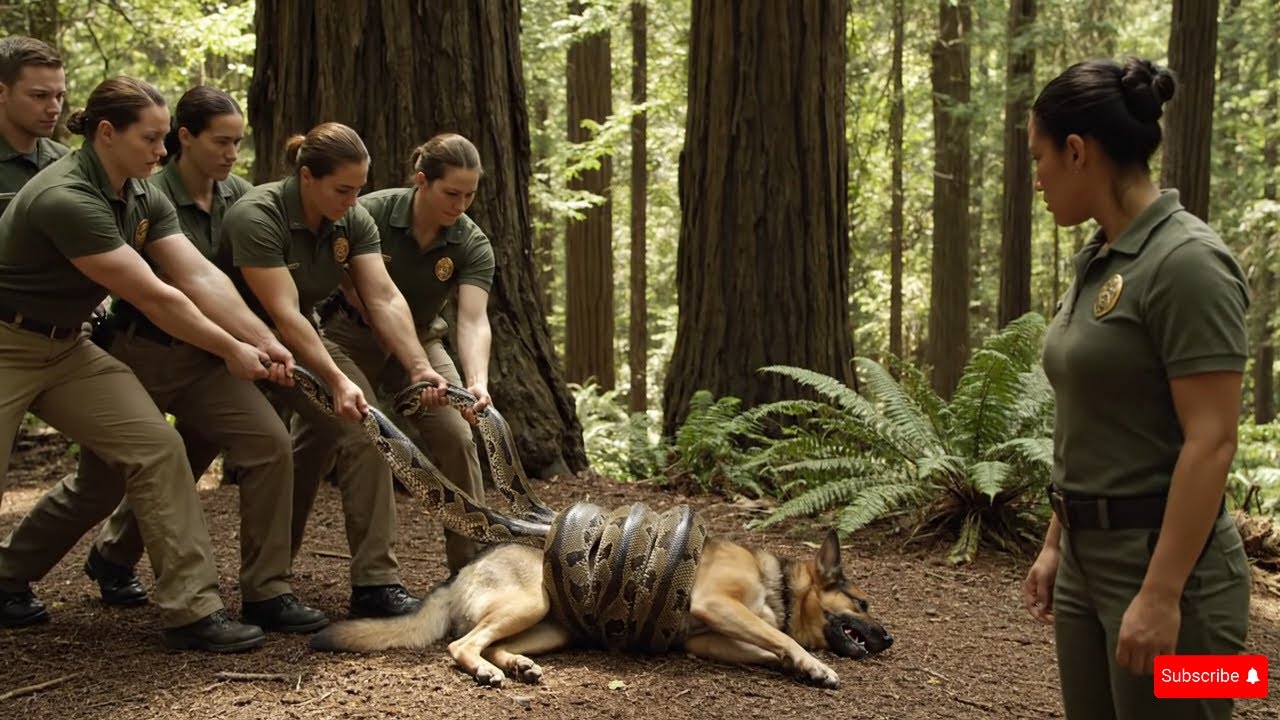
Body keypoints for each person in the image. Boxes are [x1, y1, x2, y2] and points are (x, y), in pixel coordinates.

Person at [0, 76, 293, 652]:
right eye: (152, 139)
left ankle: (192, 611)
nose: (163, 152)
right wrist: (231, 349)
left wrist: (263, 338)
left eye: (164, 139)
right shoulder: (67, 197)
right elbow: (156, 296)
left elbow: (197, 275)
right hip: (6, 343)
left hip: (66, 347)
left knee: (156, 450)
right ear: (107, 134)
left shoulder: (140, 192)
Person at [1021, 58, 1251, 720]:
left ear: (1076, 151)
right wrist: (1055, 543)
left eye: (1040, 159)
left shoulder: (1190, 263)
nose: (1035, 179)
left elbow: (1213, 440)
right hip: (1086, 569)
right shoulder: (1098, 259)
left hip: (1185, 583)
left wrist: (1162, 593)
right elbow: (1094, 419)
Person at [62, 86, 326, 634]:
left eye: (239, 142)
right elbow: (158, 289)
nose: (232, 153)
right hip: (144, 352)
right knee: (102, 483)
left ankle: (267, 590)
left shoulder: (245, 200)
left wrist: (268, 337)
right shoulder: (144, 192)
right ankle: (34, 565)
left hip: (213, 361)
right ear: (185, 138)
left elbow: (244, 281)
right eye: (221, 141)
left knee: (266, 443)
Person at [217, 121, 451, 618]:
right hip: (232, 340)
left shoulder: (351, 219)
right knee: (194, 451)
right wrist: (340, 378)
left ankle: (374, 584)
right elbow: (283, 313)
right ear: (306, 177)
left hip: (296, 340)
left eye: (360, 188)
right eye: (342, 189)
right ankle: (115, 553)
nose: (353, 199)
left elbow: (383, 295)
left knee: (365, 430)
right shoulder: (257, 215)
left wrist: (416, 365)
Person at [313, 133, 493, 573]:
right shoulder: (368, 211)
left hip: (422, 340)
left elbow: (472, 319)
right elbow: (352, 286)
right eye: (451, 193)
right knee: (349, 438)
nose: (460, 205)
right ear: (422, 181)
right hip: (348, 336)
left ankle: (472, 571)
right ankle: (362, 578)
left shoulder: (470, 242)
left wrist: (475, 382)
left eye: (470, 195)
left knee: (456, 435)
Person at [0, 36, 67, 214]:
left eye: (59, 96)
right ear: (2, 92)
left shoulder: (66, 162)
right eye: (39, 96)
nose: (55, 109)